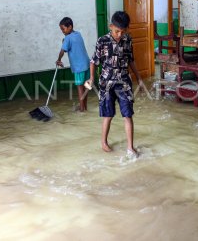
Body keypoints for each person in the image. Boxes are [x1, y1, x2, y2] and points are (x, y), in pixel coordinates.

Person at [86, 11, 143, 157]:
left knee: (128, 114)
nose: (120, 34)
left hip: (124, 82)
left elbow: (131, 60)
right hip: (106, 84)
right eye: (117, 31)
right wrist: (91, 78)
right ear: (111, 26)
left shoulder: (127, 40)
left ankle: (130, 147)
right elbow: (93, 62)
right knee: (108, 115)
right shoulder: (102, 41)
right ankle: (104, 142)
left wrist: (139, 78)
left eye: (123, 32)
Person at [56, 17, 90, 112]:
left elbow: (62, 51)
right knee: (86, 86)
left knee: (80, 88)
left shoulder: (67, 38)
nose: (62, 31)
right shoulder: (78, 34)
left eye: (63, 29)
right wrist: (65, 42)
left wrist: (58, 60)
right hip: (87, 65)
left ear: (70, 27)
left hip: (79, 67)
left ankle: (82, 109)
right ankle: (85, 107)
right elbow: (73, 46)